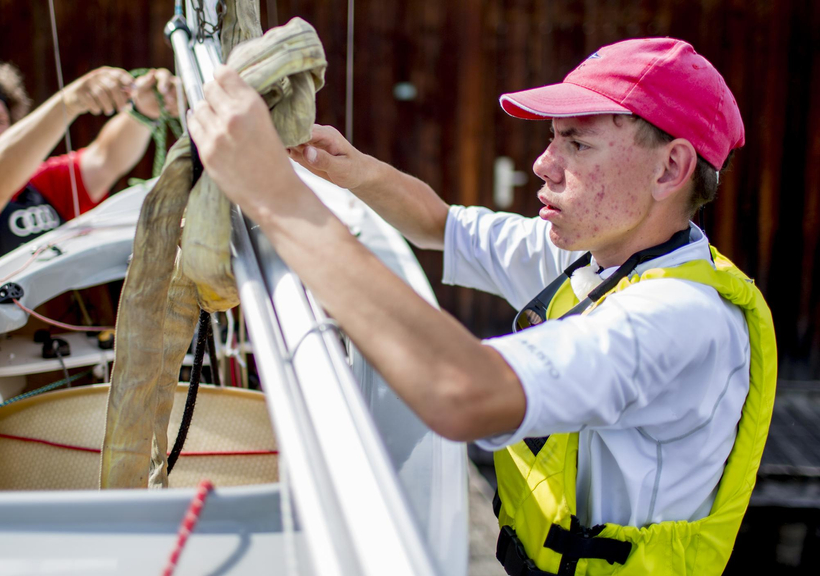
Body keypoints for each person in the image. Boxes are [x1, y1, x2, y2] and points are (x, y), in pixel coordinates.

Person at [187, 38, 776, 574]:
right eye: (551, 138)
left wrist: (277, 200)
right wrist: (354, 171)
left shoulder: (679, 318)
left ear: (670, 167)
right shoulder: (600, 257)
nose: (543, 163)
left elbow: (463, 393)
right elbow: (441, 225)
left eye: (576, 142)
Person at [0, 56, 177, 305]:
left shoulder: (41, 184)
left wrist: (144, 110)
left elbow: (105, 159)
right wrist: (70, 101)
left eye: (1, 120)